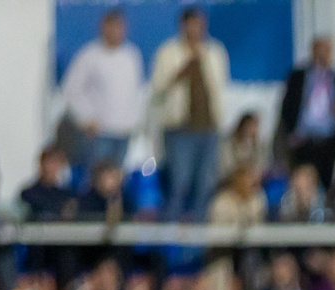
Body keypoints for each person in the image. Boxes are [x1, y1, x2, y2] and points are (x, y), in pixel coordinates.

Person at [149, 6, 229, 220]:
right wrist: (181, 72)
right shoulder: (168, 52)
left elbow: (220, 88)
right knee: (179, 185)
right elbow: (157, 88)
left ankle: (198, 245)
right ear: (183, 25)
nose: (197, 28)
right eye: (193, 24)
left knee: (205, 186)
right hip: (180, 129)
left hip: (209, 128)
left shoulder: (215, 51)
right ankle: (171, 245)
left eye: (201, 24)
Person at [59, 9, 145, 176]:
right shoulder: (90, 55)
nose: (115, 31)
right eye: (111, 27)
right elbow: (71, 90)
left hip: (124, 132)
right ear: (103, 28)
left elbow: (135, 92)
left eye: (119, 27)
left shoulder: (131, 56)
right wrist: (86, 119)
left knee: (117, 180)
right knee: (97, 178)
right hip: (99, 133)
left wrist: (135, 122)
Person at [276, 35, 335, 183]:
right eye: (319, 50)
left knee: (326, 182)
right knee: (303, 180)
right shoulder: (298, 77)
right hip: (303, 141)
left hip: (329, 142)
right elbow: (287, 106)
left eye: (326, 51)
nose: (322, 55)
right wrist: (291, 133)